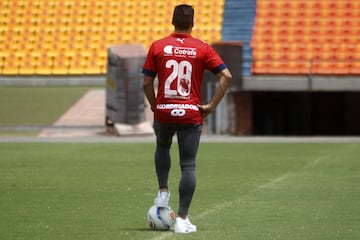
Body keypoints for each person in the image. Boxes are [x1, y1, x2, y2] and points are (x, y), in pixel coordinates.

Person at [142, 4, 232, 233]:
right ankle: (182, 219)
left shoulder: (158, 46)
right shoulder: (202, 48)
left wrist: (155, 105)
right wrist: (211, 105)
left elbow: (146, 82)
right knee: (188, 164)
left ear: (172, 21)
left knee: (162, 146)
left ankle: (163, 192)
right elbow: (226, 76)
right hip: (190, 111)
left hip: (164, 109)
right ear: (193, 23)